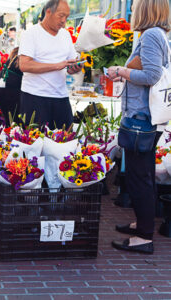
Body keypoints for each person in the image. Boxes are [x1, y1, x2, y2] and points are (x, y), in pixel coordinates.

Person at [107, 0, 170, 254]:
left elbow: (152, 76)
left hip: (141, 118)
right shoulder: (155, 34)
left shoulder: (152, 35)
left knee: (139, 177)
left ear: (147, 9)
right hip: (144, 117)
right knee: (140, 175)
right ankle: (141, 224)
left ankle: (144, 236)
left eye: (136, 6)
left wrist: (121, 70)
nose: (132, 11)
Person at [18, 0, 82, 129]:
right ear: (48, 12)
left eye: (67, 17)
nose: (64, 20)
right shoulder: (31, 34)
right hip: (35, 97)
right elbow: (24, 65)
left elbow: (69, 65)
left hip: (61, 96)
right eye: (61, 15)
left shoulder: (66, 35)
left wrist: (76, 67)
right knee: (35, 143)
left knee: (65, 140)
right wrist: (56, 65)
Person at [0, 47, 23, 125]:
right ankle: (12, 133)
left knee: (8, 118)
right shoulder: (22, 56)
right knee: (14, 118)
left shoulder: (15, 54)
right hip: (9, 90)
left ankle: (9, 131)